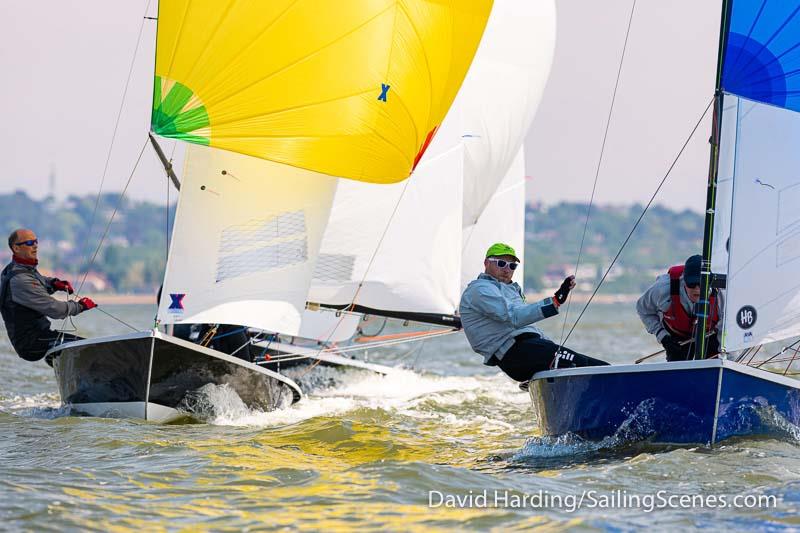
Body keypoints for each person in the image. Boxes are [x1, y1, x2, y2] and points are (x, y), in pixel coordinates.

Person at [459, 243, 609, 382]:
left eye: (512, 266)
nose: (506, 269)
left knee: (597, 365)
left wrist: (549, 345)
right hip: (515, 354)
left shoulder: (511, 290)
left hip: (530, 349)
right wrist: (554, 301)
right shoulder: (479, 290)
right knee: (587, 366)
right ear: (486, 263)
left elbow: (528, 328)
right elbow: (514, 317)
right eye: (501, 263)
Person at [0, 229, 96, 363]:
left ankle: (58, 362)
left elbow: (38, 281)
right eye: (29, 242)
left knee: (83, 347)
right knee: (91, 350)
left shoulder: (16, 269)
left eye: (36, 241)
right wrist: (80, 306)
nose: (35, 245)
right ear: (16, 248)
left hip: (40, 336)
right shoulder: (19, 279)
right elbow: (55, 309)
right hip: (32, 343)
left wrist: (54, 284)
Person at [636, 254, 723, 361]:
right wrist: (663, 337)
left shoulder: (721, 294)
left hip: (710, 335)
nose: (697, 288)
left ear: (709, 282)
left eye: (701, 283)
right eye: (692, 283)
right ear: (684, 280)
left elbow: (727, 327)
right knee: (677, 361)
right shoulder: (663, 289)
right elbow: (643, 310)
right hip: (677, 340)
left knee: (715, 358)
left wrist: (727, 360)